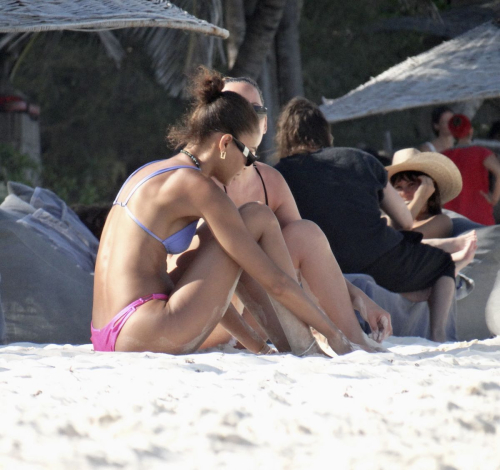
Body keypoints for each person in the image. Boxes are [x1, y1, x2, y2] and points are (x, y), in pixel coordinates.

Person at [91, 68, 354, 356]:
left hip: (106, 332)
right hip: (147, 329)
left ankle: (293, 345)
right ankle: (304, 346)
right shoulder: (198, 187)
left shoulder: (152, 172)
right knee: (257, 216)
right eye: (250, 153)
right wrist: (333, 332)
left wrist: (256, 346)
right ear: (225, 144)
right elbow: (275, 282)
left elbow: (199, 284)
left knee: (215, 248)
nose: (249, 164)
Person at [169, 77, 392, 354]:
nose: (247, 117)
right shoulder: (197, 180)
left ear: (264, 123)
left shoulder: (270, 180)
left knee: (304, 233)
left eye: (256, 111)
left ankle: (354, 341)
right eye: (236, 108)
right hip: (208, 315)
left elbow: (311, 257)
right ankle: (329, 339)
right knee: (242, 252)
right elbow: (183, 267)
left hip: (257, 315)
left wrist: (359, 297)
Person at [274, 97, 458, 343]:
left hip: (322, 265)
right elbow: (404, 221)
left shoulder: (278, 173)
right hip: (379, 258)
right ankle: (437, 334)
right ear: (325, 133)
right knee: (443, 263)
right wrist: (423, 194)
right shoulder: (361, 159)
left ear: (285, 137)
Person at [386, 148, 462, 239]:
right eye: (398, 187)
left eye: (411, 185)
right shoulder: (387, 219)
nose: (404, 193)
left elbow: (398, 239)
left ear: (428, 186)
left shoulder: (441, 221)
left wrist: (421, 197)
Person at [443, 114, 500, 226]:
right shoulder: (482, 152)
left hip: (453, 218)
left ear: (452, 133)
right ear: (471, 130)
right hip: (480, 215)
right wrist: (494, 198)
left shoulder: (444, 156)